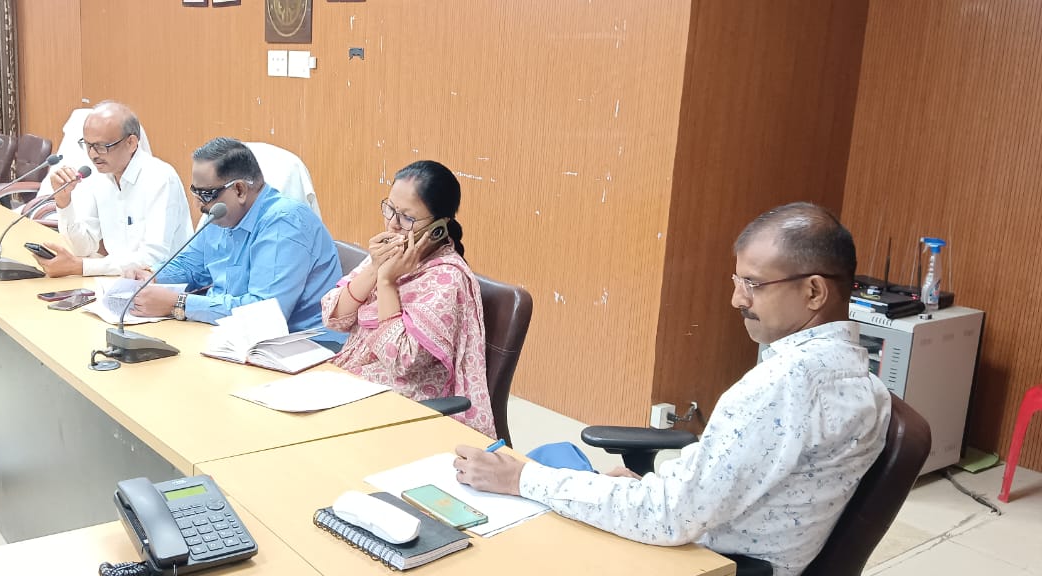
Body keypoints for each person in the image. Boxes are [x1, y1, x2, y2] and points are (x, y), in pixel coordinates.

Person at [452, 202, 890, 576]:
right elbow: (731, 485)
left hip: (700, 558)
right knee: (555, 463)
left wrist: (520, 478)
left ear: (814, 291)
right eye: (737, 281)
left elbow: (668, 517)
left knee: (505, 532)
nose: (738, 300)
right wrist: (646, 487)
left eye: (753, 284)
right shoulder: (863, 382)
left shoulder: (785, 386)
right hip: (705, 532)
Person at [320, 161, 494, 438]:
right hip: (355, 385)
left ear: (438, 227)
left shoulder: (447, 278)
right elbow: (334, 317)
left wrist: (386, 283)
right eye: (389, 209)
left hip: (402, 403)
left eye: (406, 218)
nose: (392, 223)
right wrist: (375, 267)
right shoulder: (391, 251)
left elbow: (401, 360)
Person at [127, 137, 343, 345]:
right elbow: (190, 265)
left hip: (302, 345)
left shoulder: (285, 223)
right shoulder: (220, 216)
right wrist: (153, 275)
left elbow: (264, 315)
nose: (198, 205)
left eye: (206, 194)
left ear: (239, 189)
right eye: (195, 192)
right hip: (233, 338)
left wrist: (179, 304)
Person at [32, 101, 190, 277]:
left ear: (131, 143)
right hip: (117, 281)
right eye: (88, 145)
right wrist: (63, 202)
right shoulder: (99, 176)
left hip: (163, 283)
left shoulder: (160, 178)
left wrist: (81, 267)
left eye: (102, 147)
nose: (93, 155)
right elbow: (83, 247)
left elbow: (154, 258)